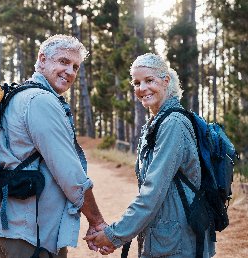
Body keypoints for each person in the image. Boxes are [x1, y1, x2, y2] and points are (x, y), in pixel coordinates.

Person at [0, 34, 106, 258]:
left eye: (75, 66)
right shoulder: (40, 101)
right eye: (63, 61)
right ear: (42, 60)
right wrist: (97, 221)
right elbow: (70, 174)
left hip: (12, 226)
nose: (70, 71)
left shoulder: (20, 95)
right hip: (31, 234)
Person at [84, 53, 216, 257]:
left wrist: (114, 234)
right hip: (164, 236)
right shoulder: (156, 123)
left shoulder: (173, 124)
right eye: (137, 83)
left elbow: (153, 190)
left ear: (166, 81)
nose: (142, 88)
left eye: (149, 80)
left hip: (178, 241)